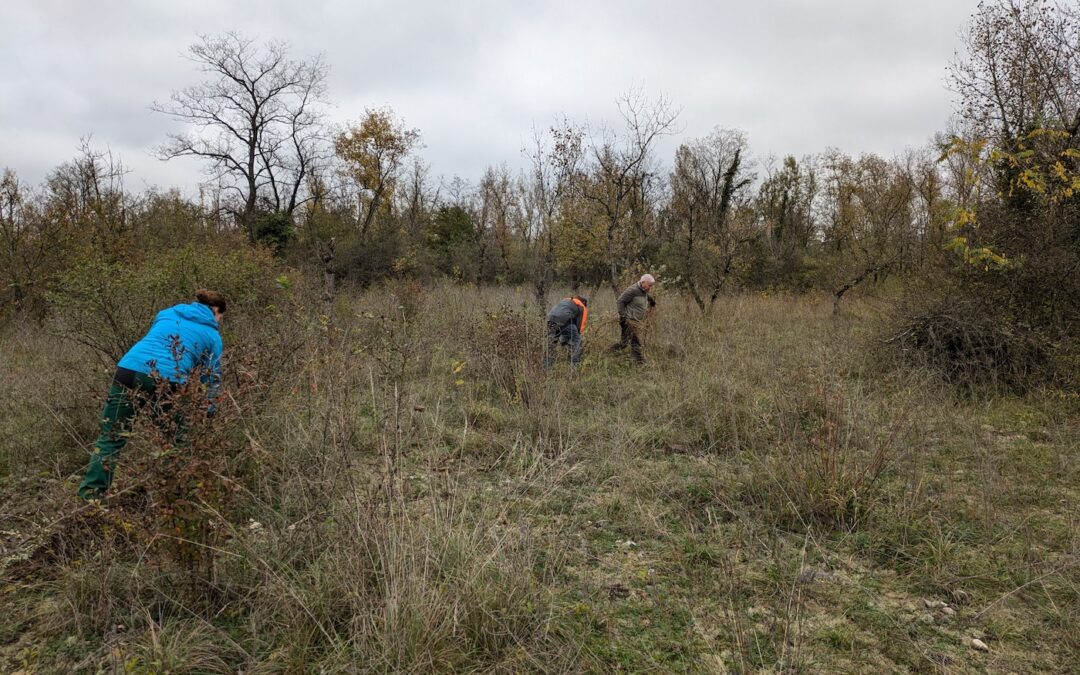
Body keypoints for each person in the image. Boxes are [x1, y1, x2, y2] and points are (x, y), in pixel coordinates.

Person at [78, 290, 226, 500]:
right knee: (174, 441)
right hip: (166, 381)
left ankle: (90, 497)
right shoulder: (212, 336)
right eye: (221, 317)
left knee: (111, 437)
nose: (220, 321)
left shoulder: (166, 313)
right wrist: (209, 409)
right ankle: (169, 498)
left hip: (128, 370)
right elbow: (211, 377)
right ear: (215, 311)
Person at [612, 274, 656, 363]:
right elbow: (620, 301)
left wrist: (652, 302)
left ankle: (608, 353)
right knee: (636, 342)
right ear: (643, 282)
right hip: (628, 321)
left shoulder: (644, 290)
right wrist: (623, 317)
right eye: (649, 285)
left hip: (636, 321)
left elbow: (647, 296)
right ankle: (640, 362)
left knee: (623, 344)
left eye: (652, 285)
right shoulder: (632, 290)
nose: (650, 288)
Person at [544, 295, 588, 369]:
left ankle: (547, 366)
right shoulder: (581, 306)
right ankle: (575, 366)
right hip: (564, 320)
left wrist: (566, 338)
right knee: (577, 341)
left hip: (550, 319)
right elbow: (580, 327)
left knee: (552, 343)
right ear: (584, 302)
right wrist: (573, 338)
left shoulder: (566, 301)